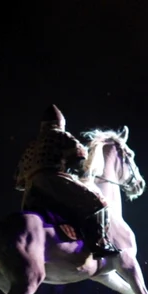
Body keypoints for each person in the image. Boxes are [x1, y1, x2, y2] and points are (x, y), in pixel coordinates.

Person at [14, 104, 121, 258]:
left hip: (31, 195)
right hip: (55, 182)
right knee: (98, 202)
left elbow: (18, 182)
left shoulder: (31, 146)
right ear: (60, 124)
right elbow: (80, 162)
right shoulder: (62, 136)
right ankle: (99, 243)